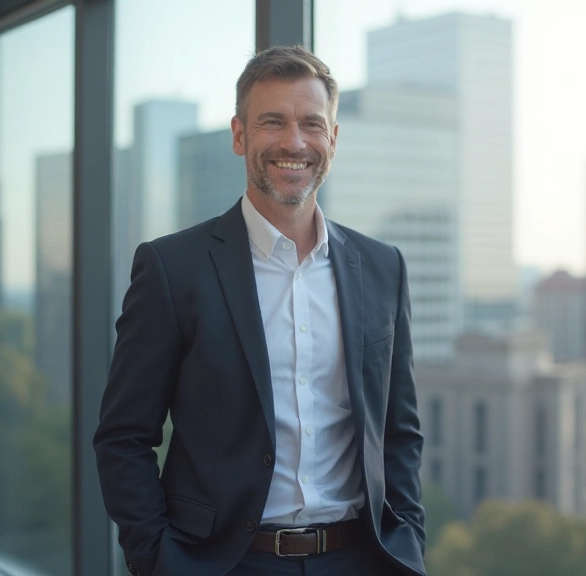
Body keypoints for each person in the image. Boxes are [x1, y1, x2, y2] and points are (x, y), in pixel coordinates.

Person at [93, 45, 426, 576]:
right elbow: (124, 437)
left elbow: (399, 431)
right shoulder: (172, 267)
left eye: (311, 124)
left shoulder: (383, 267)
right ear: (239, 135)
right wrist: (156, 560)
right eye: (273, 122)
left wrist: (408, 539)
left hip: (361, 559)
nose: (294, 142)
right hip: (223, 563)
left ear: (333, 140)